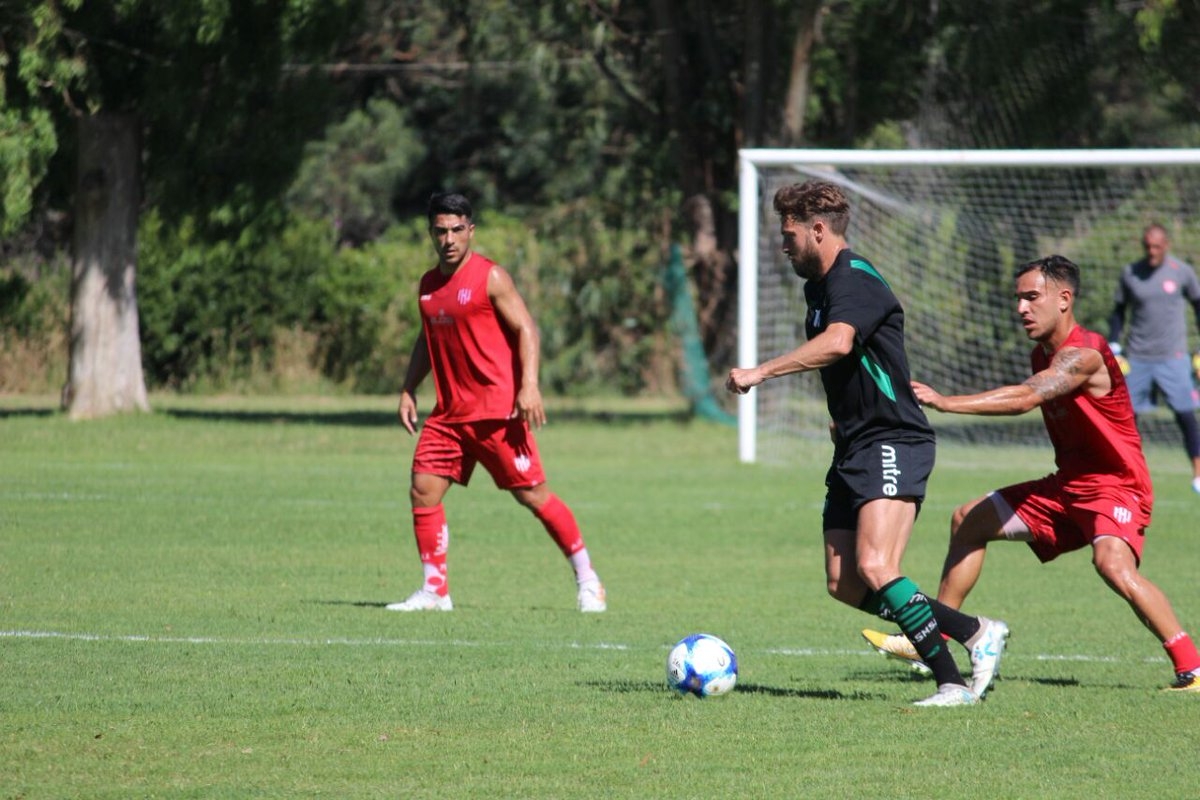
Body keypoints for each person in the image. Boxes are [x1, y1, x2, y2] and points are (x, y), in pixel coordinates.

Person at [725, 180, 1006, 707]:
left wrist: (760, 372)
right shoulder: (819, 288)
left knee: (877, 565)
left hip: (892, 439)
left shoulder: (853, 278)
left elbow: (838, 343)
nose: (783, 246)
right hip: (854, 445)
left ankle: (951, 683)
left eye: (789, 235)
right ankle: (974, 630)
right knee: (845, 583)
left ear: (818, 230)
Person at [863, 255, 1200, 692]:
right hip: (1067, 486)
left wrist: (947, 402)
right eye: (1018, 298)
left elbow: (1025, 398)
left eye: (1031, 297)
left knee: (1112, 565)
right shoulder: (1040, 353)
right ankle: (934, 638)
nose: (1021, 308)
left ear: (1064, 299)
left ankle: (1192, 667)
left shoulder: (1086, 353)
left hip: (1115, 486)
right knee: (969, 520)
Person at [388, 192, 606, 613]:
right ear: (431, 233)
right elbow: (427, 337)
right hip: (448, 416)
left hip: (497, 413)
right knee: (423, 490)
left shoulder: (491, 277)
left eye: (457, 230)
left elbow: (526, 328)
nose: (449, 239)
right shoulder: (428, 286)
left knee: (534, 497)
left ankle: (588, 580)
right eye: (441, 231)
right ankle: (435, 591)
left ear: (471, 230)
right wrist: (408, 387)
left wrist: (529, 386)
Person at [1108, 223, 1200, 493]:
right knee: (1127, 419)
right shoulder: (1131, 273)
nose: (1152, 251)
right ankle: (1126, 474)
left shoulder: (1182, 272)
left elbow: (1198, 306)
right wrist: (1114, 344)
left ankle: (1198, 473)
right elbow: (1118, 311)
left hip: (1173, 356)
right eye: (1147, 246)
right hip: (1138, 357)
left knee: (1185, 415)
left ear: (1166, 245)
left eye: (1157, 247)